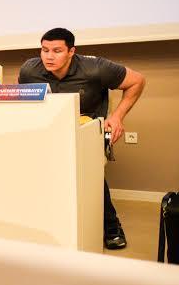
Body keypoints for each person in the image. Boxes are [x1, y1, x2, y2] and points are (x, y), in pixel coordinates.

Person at [19, 28, 145, 250]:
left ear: (71, 51)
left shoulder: (95, 67)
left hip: (88, 132)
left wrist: (117, 117)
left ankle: (111, 226)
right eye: (45, 50)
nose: (49, 56)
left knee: (87, 170)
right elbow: (25, 101)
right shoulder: (29, 69)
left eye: (57, 51)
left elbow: (137, 81)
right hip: (49, 132)